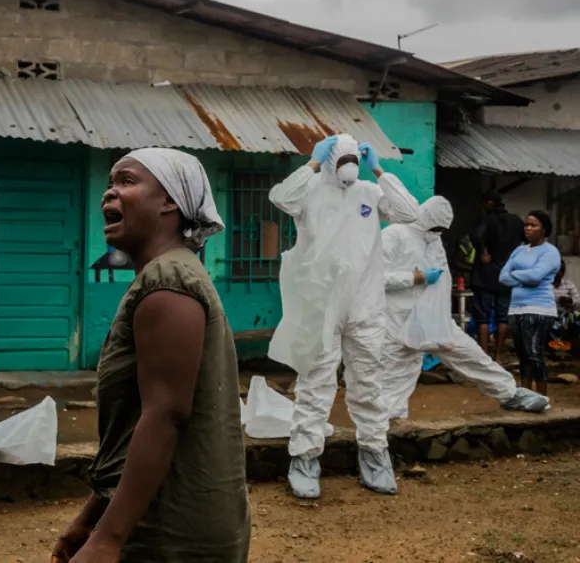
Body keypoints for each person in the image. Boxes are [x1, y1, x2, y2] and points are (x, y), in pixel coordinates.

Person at [53, 149, 248, 563]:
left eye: (126, 181)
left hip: (170, 533)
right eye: (110, 183)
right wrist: (91, 518)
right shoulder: (163, 276)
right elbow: (131, 430)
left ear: (169, 201)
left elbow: (164, 415)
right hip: (164, 521)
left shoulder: (168, 281)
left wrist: (108, 538)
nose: (110, 194)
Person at [268, 134, 419, 499]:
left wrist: (380, 170)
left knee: (368, 383)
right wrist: (313, 163)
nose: (347, 165)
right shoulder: (310, 192)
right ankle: (304, 460)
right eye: (343, 158)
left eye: (353, 158)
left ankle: (375, 454)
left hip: (365, 304)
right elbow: (281, 198)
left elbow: (410, 213)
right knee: (316, 384)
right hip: (321, 306)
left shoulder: (369, 192)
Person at [380, 196, 549, 419]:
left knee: (470, 354)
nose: (437, 232)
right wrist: (414, 277)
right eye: (435, 227)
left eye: (441, 229)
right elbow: (374, 277)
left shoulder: (434, 240)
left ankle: (509, 394)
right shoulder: (394, 235)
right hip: (398, 321)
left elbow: (442, 280)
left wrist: (441, 313)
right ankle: (387, 421)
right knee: (398, 371)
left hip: (433, 317)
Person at [501, 210, 561, 397]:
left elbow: (537, 276)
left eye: (533, 225)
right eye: (526, 224)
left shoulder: (550, 252)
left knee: (534, 353)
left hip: (539, 308)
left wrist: (515, 275)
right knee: (523, 355)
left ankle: (542, 396)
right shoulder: (519, 250)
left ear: (543, 229)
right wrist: (525, 278)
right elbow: (502, 277)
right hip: (516, 308)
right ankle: (526, 396)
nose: (528, 228)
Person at [472, 191, 525, 362]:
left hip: (486, 274)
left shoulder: (487, 219)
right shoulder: (517, 221)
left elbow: (476, 236)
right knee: (503, 316)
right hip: (508, 274)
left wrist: (482, 249)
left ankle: (484, 356)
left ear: (489, 202)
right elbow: (526, 240)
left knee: (483, 316)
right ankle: (498, 355)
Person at [551, 260, 580, 351]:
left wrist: (570, 300)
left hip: (566, 316)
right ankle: (553, 343)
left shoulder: (569, 285)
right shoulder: (546, 285)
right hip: (549, 315)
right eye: (557, 271)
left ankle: (572, 345)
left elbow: (578, 302)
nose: (560, 273)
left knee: (574, 320)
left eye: (561, 271)